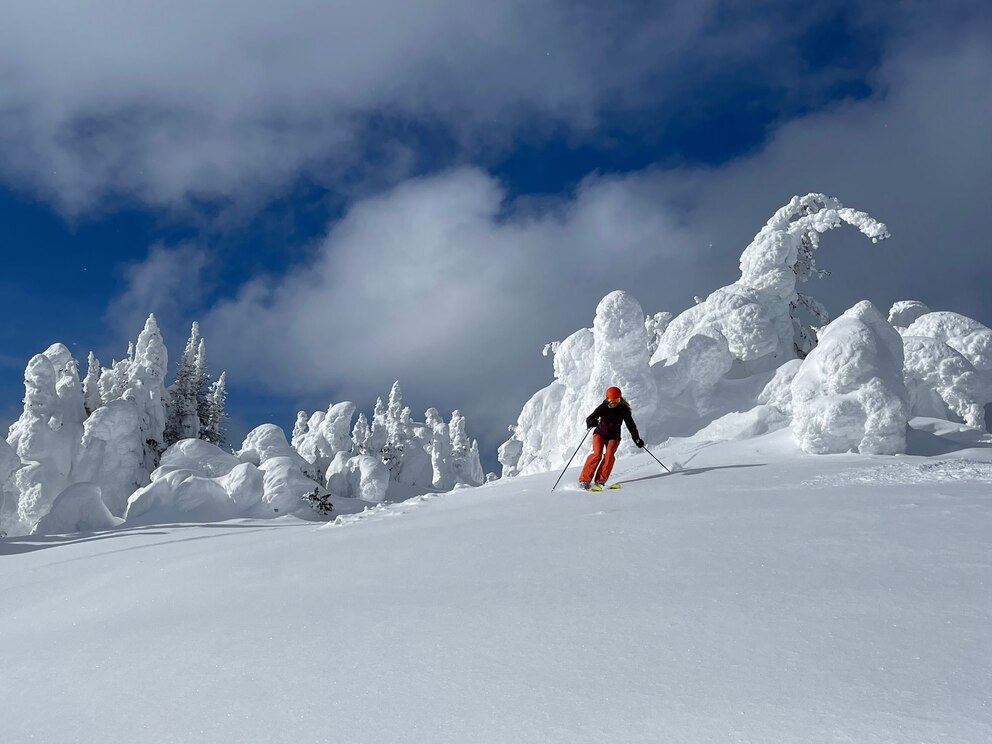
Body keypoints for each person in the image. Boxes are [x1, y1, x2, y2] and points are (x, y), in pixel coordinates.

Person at [579, 386, 644, 489]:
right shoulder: (603, 407)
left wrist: (636, 438)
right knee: (597, 454)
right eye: (611, 400)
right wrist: (592, 422)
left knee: (609, 455)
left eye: (617, 400)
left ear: (620, 399)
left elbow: (631, 425)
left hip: (614, 436)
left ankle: (600, 481)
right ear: (607, 399)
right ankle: (584, 480)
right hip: (600, 434)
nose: (614, 403)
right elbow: (590, 418)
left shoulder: (623, 409)